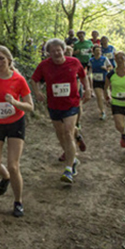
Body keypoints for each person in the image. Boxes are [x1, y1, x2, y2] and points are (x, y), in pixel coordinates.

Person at [0, 46, 34, 218]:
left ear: (9, 60)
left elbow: (30, 106)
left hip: (15, 122)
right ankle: (6, 177)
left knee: (13, 165)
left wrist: (15, 103)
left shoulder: (19, 80)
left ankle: (18, 202)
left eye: (1, 58)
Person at [30, 39, 91, 184]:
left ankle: (68, 169)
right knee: (60, 133)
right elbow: (34, 79)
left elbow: (83, 76)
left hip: (72, 103)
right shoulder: (44, 65)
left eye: (58, 50)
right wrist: (37, 92)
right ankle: (73, 156)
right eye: (52, 51)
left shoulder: (74, 62)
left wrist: (88, 89)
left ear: (63, 50)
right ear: (48, 53)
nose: (56, 53)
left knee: (67, 132)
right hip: (54, 104)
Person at [88, 45, 113, 120]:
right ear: (93, 51)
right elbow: (90, 69)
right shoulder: (91, 60)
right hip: (96, 80)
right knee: (99, 97)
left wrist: (106, 68)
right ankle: (102, 112)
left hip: (104, 80)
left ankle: (111, 107)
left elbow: (110, 67)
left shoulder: (104, 59)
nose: (98, 52)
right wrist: (88, 75)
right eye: (96, 50)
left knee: (106, 97)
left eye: (99, 50)